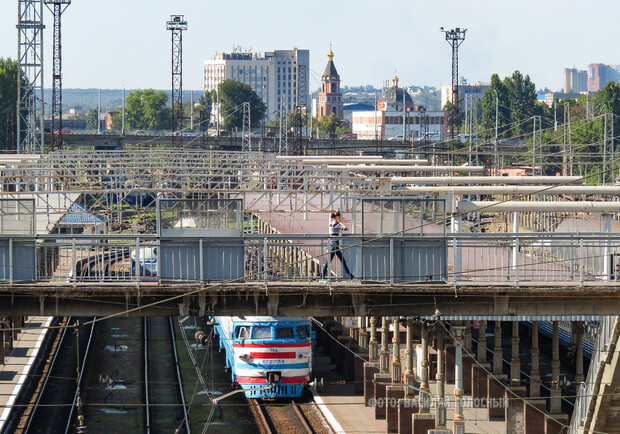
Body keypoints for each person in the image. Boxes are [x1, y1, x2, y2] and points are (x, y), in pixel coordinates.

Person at [320, 211, 354, 279]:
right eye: (340, 217)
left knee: (341, 260)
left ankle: (349, 275)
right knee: (329, 260)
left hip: (333, 243)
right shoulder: (336, 224)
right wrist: (339, 222)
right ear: (337, 217)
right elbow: (346, 228)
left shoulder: (331, 223)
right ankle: (321, 275)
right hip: (335, 244)